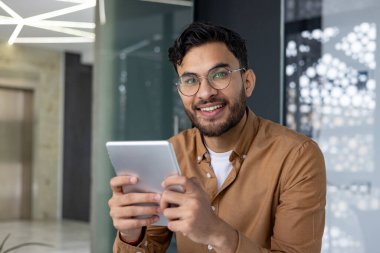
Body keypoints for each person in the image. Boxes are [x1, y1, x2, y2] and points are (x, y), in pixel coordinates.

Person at [108, 22, 326, 253]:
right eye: (191, 80)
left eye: (220, 74)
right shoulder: (173, 152)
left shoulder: (297, 156)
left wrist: (216, 232)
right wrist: (131, 234)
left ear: (248, 82)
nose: (205, 93)